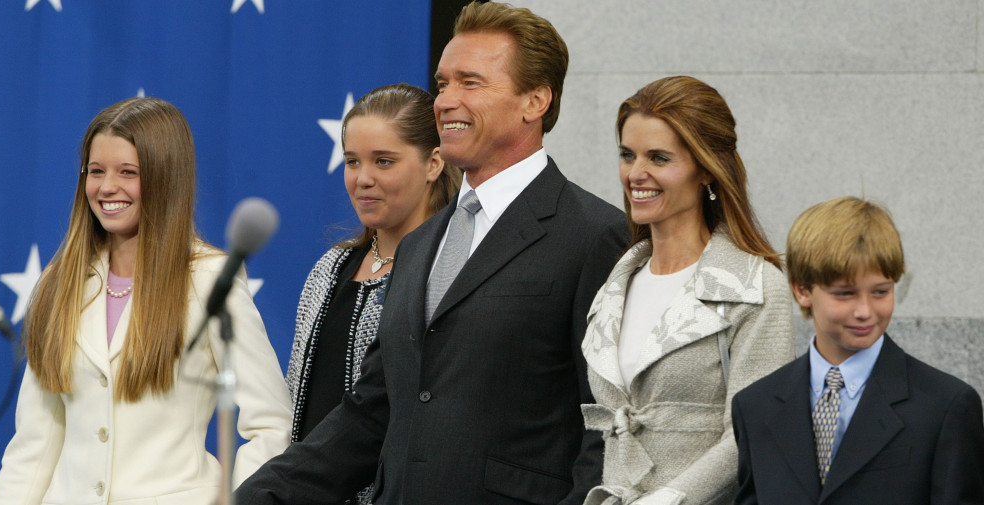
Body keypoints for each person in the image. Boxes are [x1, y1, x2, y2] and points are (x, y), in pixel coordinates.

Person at [235, 2, 628, 504]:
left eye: (470, 82)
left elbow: (605, 423)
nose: (444, 101)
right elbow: (372, 414)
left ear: (535, 101)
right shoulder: (421, 244)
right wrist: (256, 495)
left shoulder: (594, 235)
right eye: (443, 84)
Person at [0, 97, 292, 505]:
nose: (107, 187)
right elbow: (33, 445)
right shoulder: (59, 282)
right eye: (95, 172)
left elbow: (271, 426)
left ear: (166, 177)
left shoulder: (208, 279)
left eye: (127, 172)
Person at [580, 76, 795, 505]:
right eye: (627, 155)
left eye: (658, 158)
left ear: (706, 170)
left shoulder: (754, 286)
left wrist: (668, 499)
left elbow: (753, 433)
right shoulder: (616, 283)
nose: (635, 173)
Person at [732, 196, 984, 505]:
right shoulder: (755, 407)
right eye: (845, 294)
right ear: (802, 290)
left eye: (881, 291)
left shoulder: (946, 407)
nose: (865, 311)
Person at [284, 83, 460, 505]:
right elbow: (294, 402)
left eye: (384, 161)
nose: (363, 179)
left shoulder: (451, 275)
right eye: (352, 161)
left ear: (434, 162)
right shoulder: (328, 269)